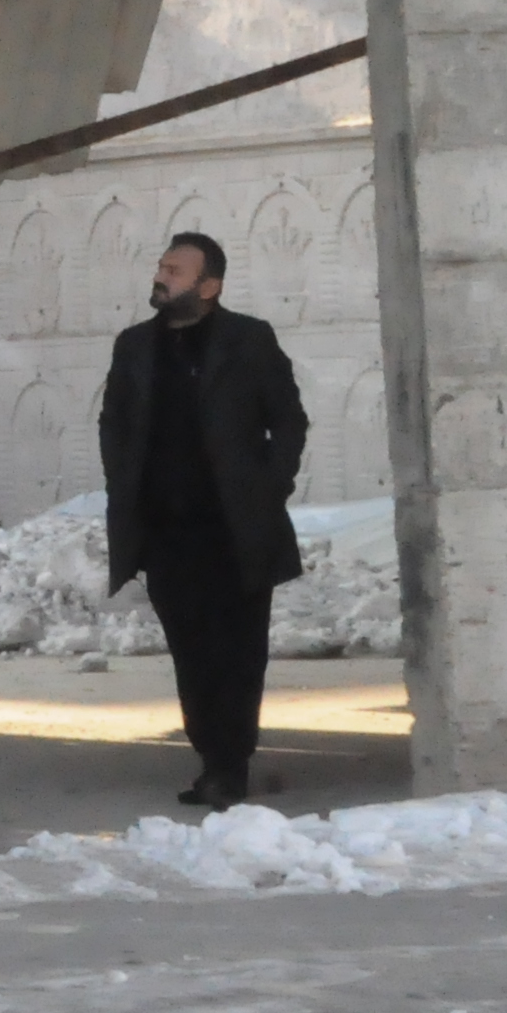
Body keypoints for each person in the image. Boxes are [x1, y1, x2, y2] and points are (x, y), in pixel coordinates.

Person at [97, 230, 309, 809]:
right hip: (167, 532)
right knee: (191, 651)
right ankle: (210, 754)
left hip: (235, 529)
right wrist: (125, 486)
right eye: (161, 266)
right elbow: (113, 422)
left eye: (175, 269)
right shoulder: (135, 346)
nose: (160, 276)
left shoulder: (249, 340)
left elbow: (289, 420)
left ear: (208, 286)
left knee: (239, 651)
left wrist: (268, 489)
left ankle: (229, 764)